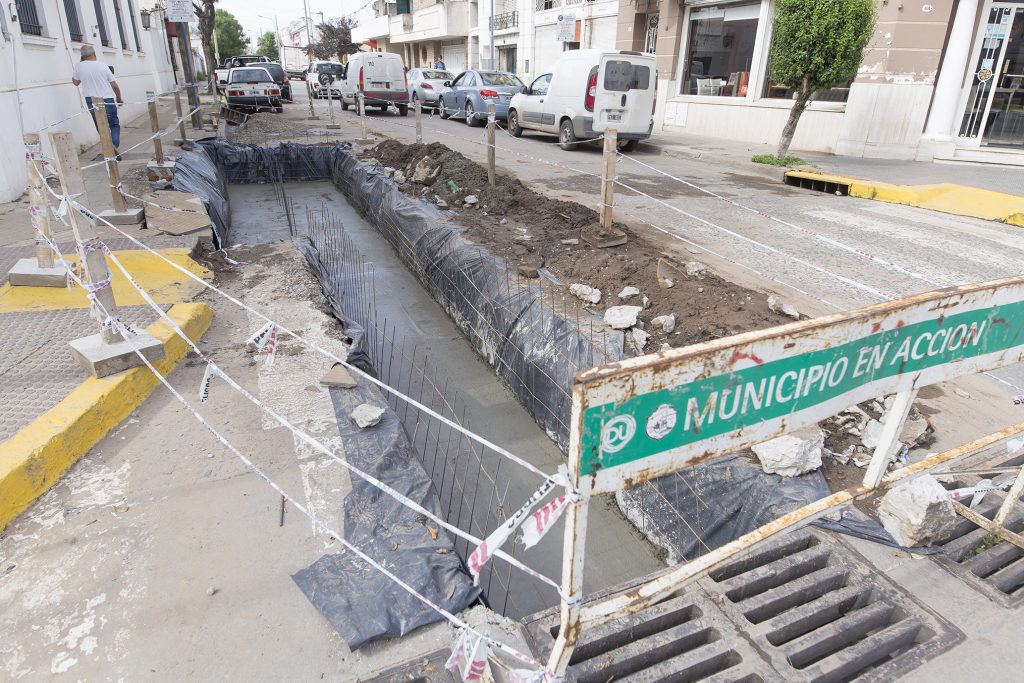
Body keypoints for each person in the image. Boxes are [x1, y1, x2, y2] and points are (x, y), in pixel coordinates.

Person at [72, 44, 123, 154]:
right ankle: (113, 145)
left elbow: (75, 82)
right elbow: (115, 86)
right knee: (114, 124)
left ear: (82, 56)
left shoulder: (78, 66)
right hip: (107, 99)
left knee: (100, 126)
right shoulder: (103, 66)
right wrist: (119, 98)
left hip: (91, 100)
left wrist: (81, 63)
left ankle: (109, 148)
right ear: (94, 53)